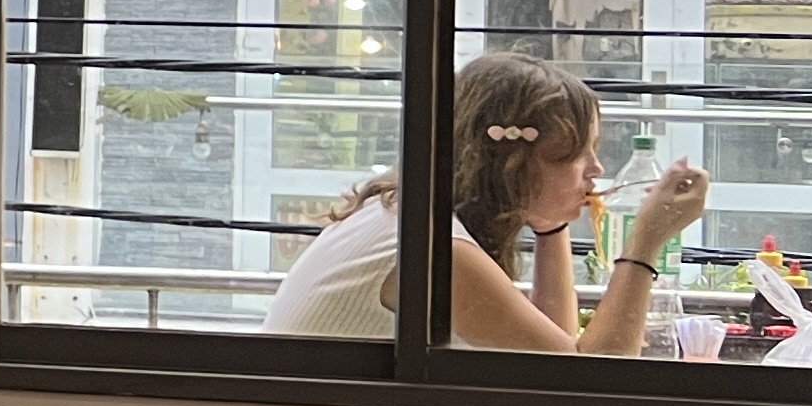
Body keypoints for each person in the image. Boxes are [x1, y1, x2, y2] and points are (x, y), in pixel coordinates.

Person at [264, 51, 710, 352]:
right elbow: (593, 382)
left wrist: (552, 226)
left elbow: (552, 347)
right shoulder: (436, 251)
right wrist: (646, 242)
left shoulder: (405, 211)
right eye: (579, 152)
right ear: (514, 161)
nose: (596, 169)